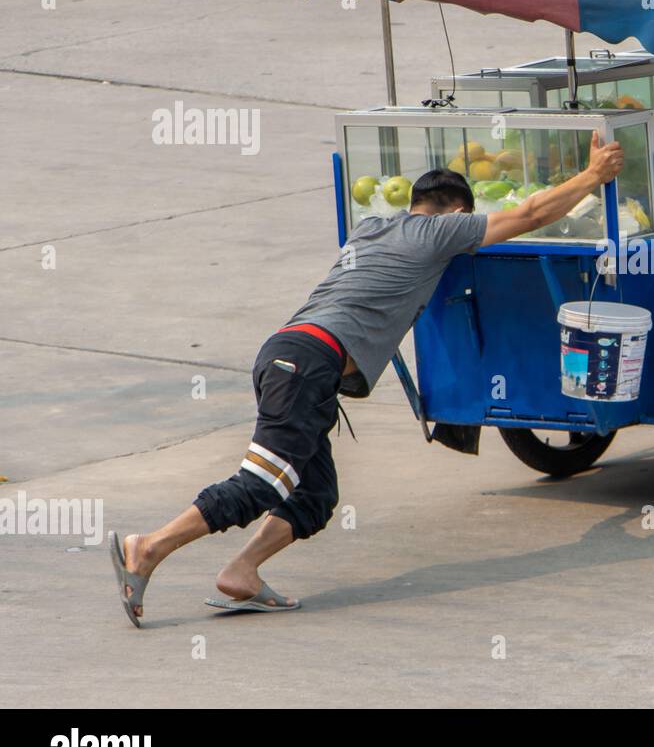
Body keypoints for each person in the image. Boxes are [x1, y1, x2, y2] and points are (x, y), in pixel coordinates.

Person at [109, 131, 623, 626]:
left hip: (289, 353)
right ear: (460, 213)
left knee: (314, 495)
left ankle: (241, 571)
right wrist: (593, 176)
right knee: (263, 482)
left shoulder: (370, 226)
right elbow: (530, 214)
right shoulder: (443, 231)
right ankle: (150, 547)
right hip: (309, 362)